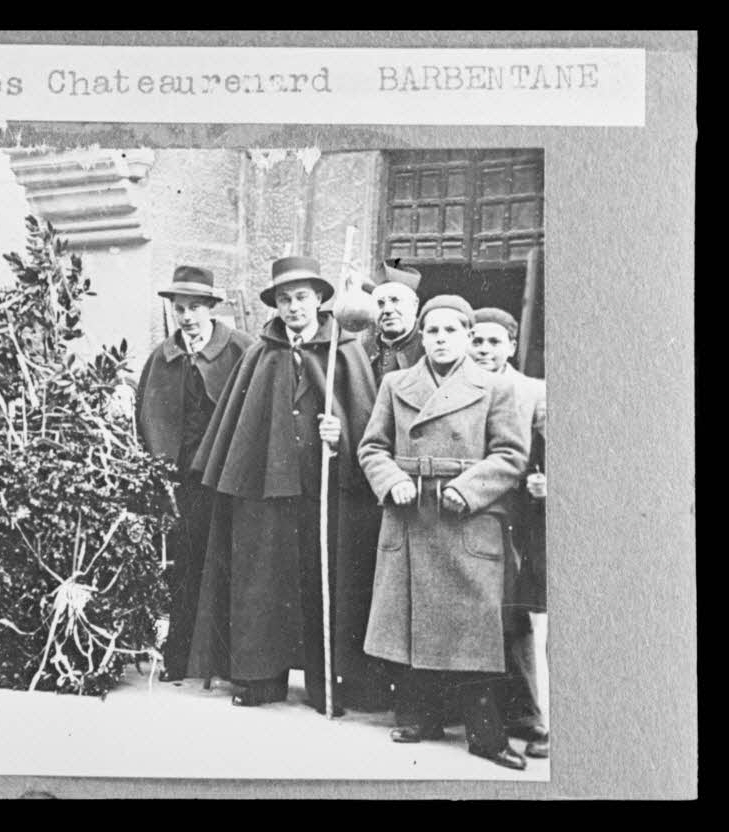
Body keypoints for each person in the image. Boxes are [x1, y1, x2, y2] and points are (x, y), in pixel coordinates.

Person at [188, 255, 386, 714]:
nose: (294, 307)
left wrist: (342, 438)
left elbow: (367, 422)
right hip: (266, 492)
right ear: (275, 305)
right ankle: (261, 679)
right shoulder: (262, 353)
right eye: (284, 299)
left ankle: (325, 682)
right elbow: (239, 427)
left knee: (327, 585)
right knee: (263, 584)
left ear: (319, 299)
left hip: (325, 493)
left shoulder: (346, 349)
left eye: (301, 297)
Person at [357, 295, 530, 770]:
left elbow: (511, 455)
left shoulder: (495, 388)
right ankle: (421, 717)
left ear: (468, 337)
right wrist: (391, 480)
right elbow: (372, 446)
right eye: (432, 331)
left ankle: (485, 734)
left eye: (451, 331)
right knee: (412, 618)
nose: (439, 340)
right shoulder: (396, 384)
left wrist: (468, 489)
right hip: (410, 512)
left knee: (472, 626)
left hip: (464, 516)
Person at [135, 265, 253, 683]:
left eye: (195, 307)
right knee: (186, 565)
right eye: (179, 308)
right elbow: (147, 415)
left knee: (229, 564)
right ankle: (181, 656)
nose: (186, 316)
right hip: (184, 481)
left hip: (227, 477)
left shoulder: (240, 348)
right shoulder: (163, 356)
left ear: (211, 309)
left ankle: (229, 662)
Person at [470, 306, 549, 759]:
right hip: (471, 512)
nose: (483, 350)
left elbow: (556, 447)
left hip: (517, 515)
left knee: (513, 614)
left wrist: (545, 483)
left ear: (512, 346)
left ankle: (530, 716)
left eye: (493, 342)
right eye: (477, 341)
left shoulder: (532, 391)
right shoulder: (458, 388)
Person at [360, 259, 425, 389]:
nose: (387, 310)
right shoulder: (363, 349)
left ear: (414, 304)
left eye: (395, 300)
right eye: (380, 303)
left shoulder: (427, 346)